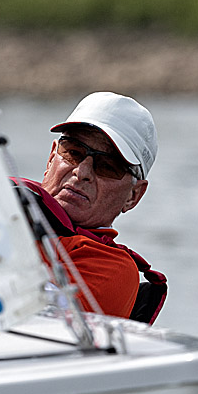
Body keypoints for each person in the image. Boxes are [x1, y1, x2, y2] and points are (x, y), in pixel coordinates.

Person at [13, 91, 168, 324]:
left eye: (107, 166)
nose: (82, 172)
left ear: (133, 196)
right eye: (73, 153)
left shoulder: (112, 269)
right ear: (51, 159)